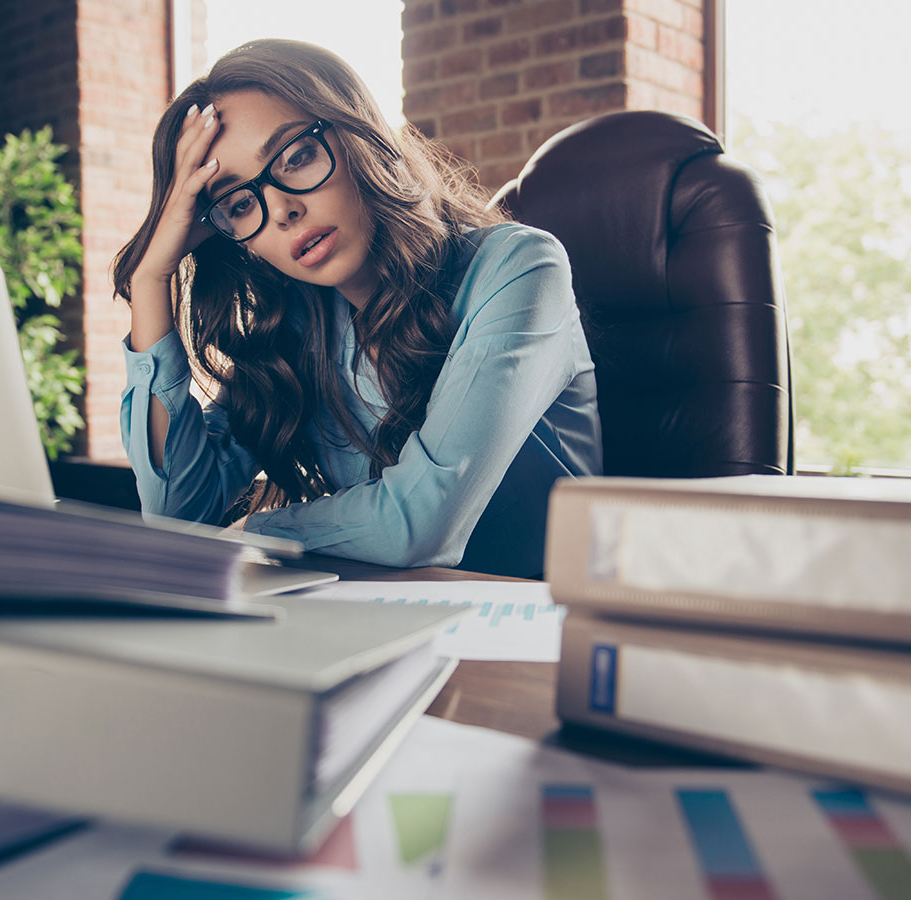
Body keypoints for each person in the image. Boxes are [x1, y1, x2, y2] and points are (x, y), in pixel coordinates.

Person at [112, 39, 600, 577]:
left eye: (295, 157)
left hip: (543, 627)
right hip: (389, 619)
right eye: (239, 203)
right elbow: (178, 514)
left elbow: (417, 524)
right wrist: (151, 279)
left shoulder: (521, 267)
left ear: (356, 136)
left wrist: (259, 529)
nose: (282, 210)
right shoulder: (298, 325)